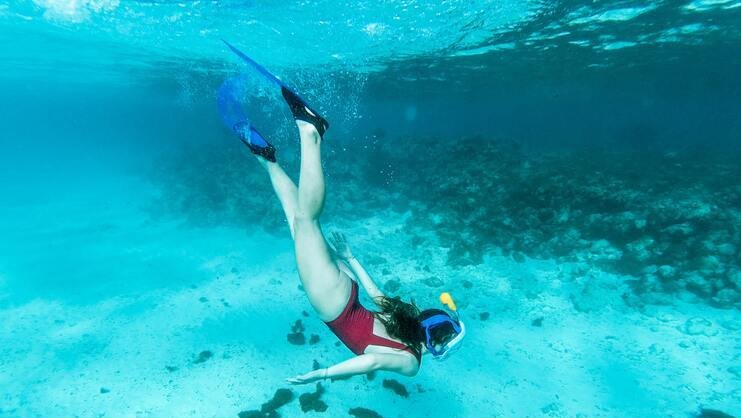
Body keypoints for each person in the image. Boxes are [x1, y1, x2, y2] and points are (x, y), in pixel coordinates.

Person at [234, 86, 466, 385]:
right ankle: (311, 133)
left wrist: (350, 258)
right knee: (307, 221)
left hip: (347, 292)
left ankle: (266, 158)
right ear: (437, 343)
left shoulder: (406, 321)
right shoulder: (411, 363)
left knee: (300, 228)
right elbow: (369, 360)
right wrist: (323, 374)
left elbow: (377, 295)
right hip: (335, 305)